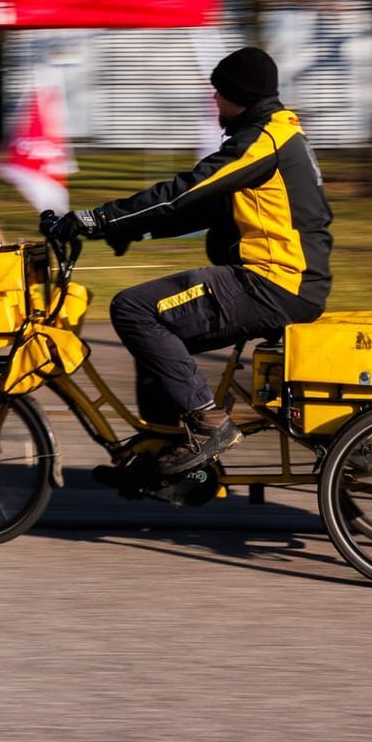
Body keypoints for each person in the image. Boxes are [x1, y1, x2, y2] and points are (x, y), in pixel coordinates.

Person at [45, 46, 332, 490]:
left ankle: (207, 424)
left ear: (240, 94)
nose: (213, 102)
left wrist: (97, 217)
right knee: (157, 345)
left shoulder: (262, 141)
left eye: (218, 94)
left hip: (270, 282)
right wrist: (126, 231)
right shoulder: (276, 133)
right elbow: (208, 210)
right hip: (283, 281)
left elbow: (186, 191)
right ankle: (172, 464)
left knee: (135, 309)